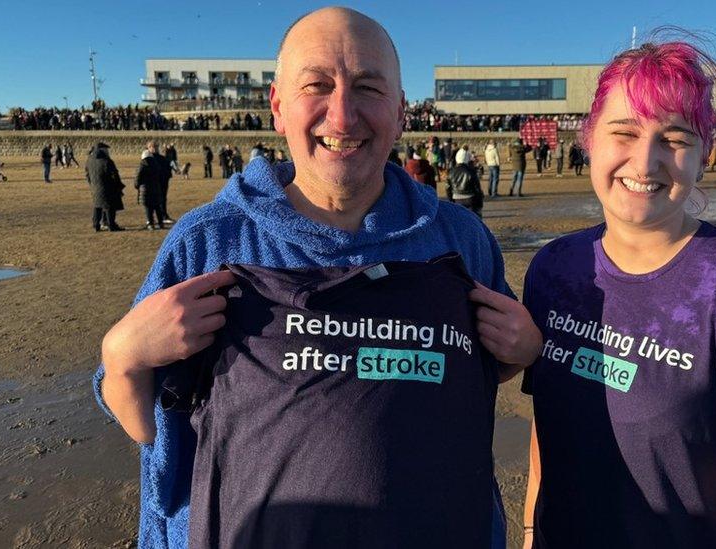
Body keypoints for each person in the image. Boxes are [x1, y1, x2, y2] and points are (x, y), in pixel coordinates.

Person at [94, 8, 540, 548]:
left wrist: (522, 350)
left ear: (401, 113)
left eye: (369, 88)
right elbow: (143, 426)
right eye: (317, 85)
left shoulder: (460, 241)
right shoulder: (209, 243)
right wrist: (120, 357)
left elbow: (476, 373)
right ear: (278, 107)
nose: (344, 115)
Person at [520, 39, 716, 549]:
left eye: (674, 138)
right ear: (589, 139)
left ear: (703, 154)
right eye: (624, 132)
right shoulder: (555, 270)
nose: (645, 161)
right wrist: (529, 533)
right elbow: (548, 428)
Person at [85, 142, 125, 231]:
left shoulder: (89, 160)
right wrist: (119, 186)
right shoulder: (107, 161)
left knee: (97, 206)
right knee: (109, 207)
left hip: (95, 187)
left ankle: (96, 225)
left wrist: (92, 184)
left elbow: (87, 174)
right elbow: (115, 175)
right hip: (108, 187)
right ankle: (111, 225)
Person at [135, 149, 166, 230]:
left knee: (148, 208)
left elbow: (137, 178)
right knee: (157, 207)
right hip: (156, 188)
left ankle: (150, 223)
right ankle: (161, 223)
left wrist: (137, 185)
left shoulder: (142, 165)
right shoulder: (156, 165)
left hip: (145, 189)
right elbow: (161, 176)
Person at [447, 150, 484, 217]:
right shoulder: (471, 171)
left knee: (459, 218)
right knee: (472, 218)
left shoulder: (451, 172)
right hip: (470, 198)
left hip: (456, 198)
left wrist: (450, 200)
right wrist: (479, 202)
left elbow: (448, 188)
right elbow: (477, 188)